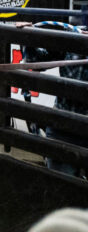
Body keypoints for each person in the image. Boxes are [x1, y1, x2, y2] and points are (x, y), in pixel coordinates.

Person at [22, 21, 88, 179]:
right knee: (59, 185)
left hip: (75, 125)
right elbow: (36, 62)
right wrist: (28, 36)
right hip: (64, 125)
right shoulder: (73, 37)